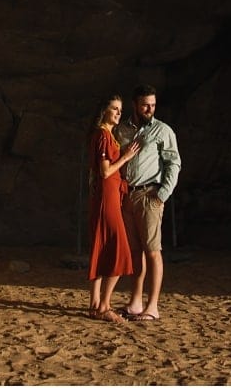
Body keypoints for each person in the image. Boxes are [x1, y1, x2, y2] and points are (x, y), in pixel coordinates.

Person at [115, 84, 181, 321]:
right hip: (128, 195)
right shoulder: (122, 130)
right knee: (134, 252)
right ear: (135, 104)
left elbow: (174, 163)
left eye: (152, 105)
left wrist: (163, 194)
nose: (149, 109)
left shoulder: (163, 131)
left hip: (149, 195)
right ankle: (135, 302)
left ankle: (152, 306)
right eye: (145, 104)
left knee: (153, 251)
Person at [86, 95, 139, 323]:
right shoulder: (103, 136)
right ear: (104, 111)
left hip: (107, 196)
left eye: (120, 109)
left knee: (102, 248)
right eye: (114, 109)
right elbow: (105, 171)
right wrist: (126, 157)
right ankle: (105, 306)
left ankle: (95, 304)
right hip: (107, 198)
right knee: (119, 250)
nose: (118, 113)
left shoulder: (104, 135)